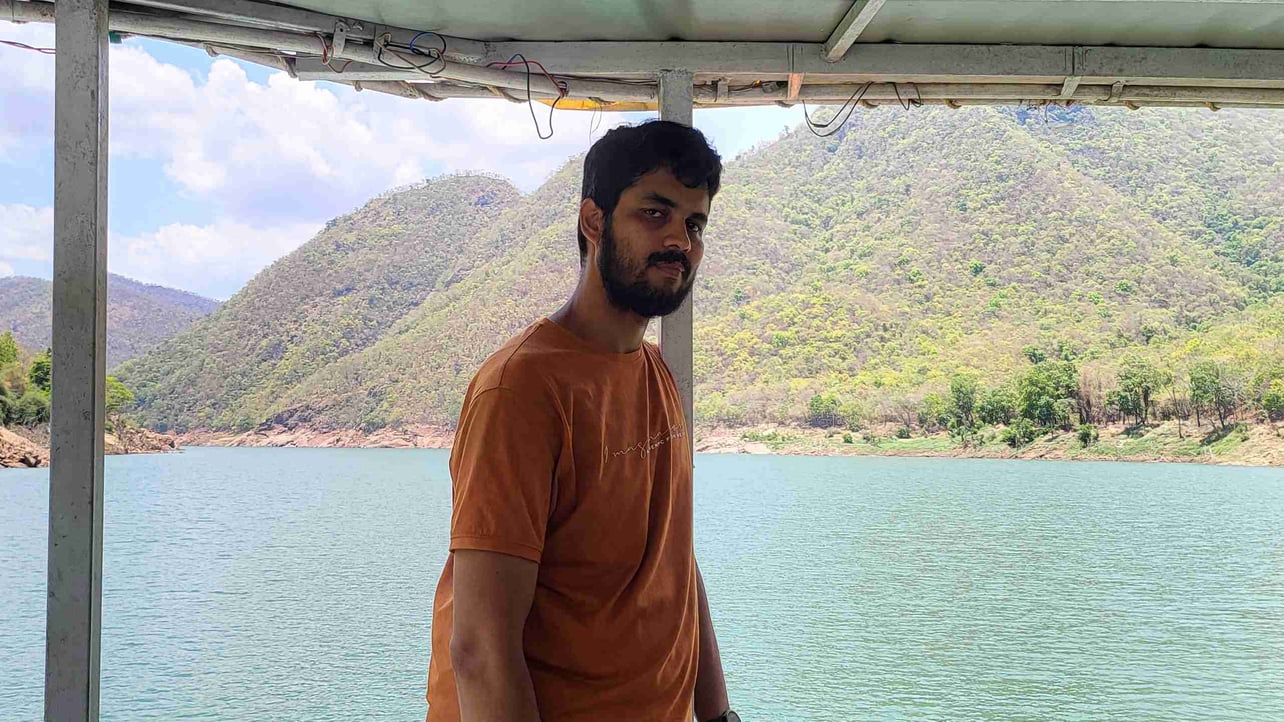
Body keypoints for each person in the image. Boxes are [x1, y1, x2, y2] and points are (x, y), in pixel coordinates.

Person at [425, 120, 739, 722]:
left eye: (694, 224)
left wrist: (719, 714)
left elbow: (676, 563)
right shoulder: (521, 390)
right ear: (594, 222)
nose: (679, 240)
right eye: (655, 213)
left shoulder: (656, 373)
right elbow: (481, 650)